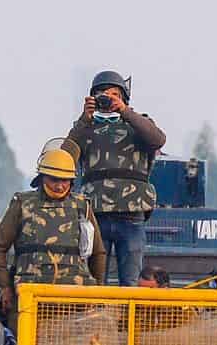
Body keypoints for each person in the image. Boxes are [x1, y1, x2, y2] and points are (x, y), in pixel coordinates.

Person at [64, 71, 166, 286]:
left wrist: (125, 112)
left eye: (113, 94)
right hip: (95, 213)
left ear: (124, 97)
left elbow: (157, 140)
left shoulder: (139, 124)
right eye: (102, 94)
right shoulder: (86, 127)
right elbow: (65, 157)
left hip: (131, 214)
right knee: (93, 280)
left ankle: (128, 320)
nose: (107, 98)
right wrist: (84, 120)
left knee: (130, 281)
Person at [0, 145, 106, 312]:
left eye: (64, 180)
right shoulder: (22, 204)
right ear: (42, 178)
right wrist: (5, 287)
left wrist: (97, 290)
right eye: (54, 179)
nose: (59, 186)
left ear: (71, 181)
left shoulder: (82, 206)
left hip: (75, 297)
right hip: (30, 295)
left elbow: (97, 252)